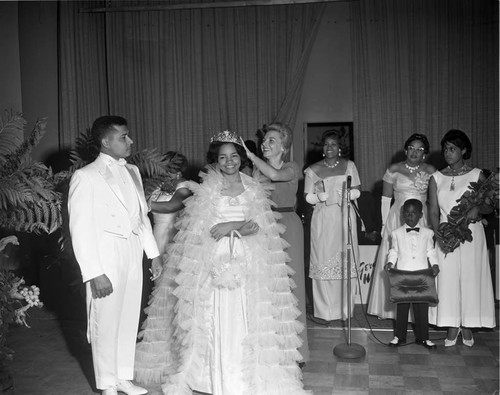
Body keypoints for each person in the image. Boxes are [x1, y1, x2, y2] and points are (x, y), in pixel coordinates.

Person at [135, 130, 308, 394]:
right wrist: (231, 228)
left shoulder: (253, 186)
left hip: (248, 259)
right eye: (223, 157)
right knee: (213, 317)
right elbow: (201, 228)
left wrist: (231, 225)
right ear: (215, 160)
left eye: (234, 156)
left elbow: (259, 225)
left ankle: (243, 380)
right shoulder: (207, 188)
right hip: (213, 260)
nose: (229, 161)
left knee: (243, 317)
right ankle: (210, 378)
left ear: (242, 157)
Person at [68, 116, 162, 395]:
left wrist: (153, 254)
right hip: (105, 253)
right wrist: (94, 272)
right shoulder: (85, 176)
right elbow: (80, 230)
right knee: (105, 320)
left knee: (128, 315)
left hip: (132, 249)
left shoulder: (132, 170)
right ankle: (107, 384)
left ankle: (123, 377)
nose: (130, 141)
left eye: (128, 135)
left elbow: (141, 216)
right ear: (105, 142)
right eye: (123, 136)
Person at [241, 122, 309, 364]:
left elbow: (275, 175)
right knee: (265, 286)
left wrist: (249, 155)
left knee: (291, 287)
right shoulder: (255, 173)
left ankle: (295, 351)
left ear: (284, 146)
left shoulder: (292, 167)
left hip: (288, 225)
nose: (264, 144)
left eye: (271, 140)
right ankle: (269, 349)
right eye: (264, 140)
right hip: (265, 227)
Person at [428, 129, 495, 347]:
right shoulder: (436, 178)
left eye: (453, 149)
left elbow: (489, 205)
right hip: (446, 234)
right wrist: (440, 236)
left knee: (470, 278)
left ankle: (467, 324)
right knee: (447, 280)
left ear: (464, 150)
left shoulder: (477, 175)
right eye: (446, 149)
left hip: (471, 235)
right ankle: (451, 325)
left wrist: (478, 208)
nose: (448, 153)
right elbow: (433, 212)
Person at [367, 133, 436, 320]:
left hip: (421, 218)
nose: (415, 152)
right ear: (406, 150)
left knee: (419, 260)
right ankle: (393, 310)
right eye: (411, 148)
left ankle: (419, 313)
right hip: (397, 217)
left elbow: (434, 200)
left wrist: (432, 223)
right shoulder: (394, 169)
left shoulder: (431, 170)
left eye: (419, 149)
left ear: (425, 153)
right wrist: (383, 226)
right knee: (395, 258)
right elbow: (385, 200)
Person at [303, 129, 361, 321]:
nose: (329, 148)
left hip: (344, 216)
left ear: (340, 148)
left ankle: (345, 311)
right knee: (323, 261)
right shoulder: (312, 170)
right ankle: (324, 312)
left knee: (344, 260)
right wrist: (317, 197)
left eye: (333, 144)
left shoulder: (349, 166)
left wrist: (347, 195)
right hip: (323, 219)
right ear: (322, 148)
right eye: (326, 144)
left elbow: (358, 190)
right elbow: (306, 197)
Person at [385, 199, 439, 349]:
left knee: (422, 308)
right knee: (402, 308)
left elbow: (430, 251)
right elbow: (394, 251)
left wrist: (435, 264)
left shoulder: (428, 233)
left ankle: (423, 337)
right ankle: (399, 336)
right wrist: (390, 262)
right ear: (402, 215)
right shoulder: (396, 233)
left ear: (421, 215)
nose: (409, 217)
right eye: (406, 213)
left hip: (422, 276)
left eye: (413, 213)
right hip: (403, 275)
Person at [148, 151, 191, 255]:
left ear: (178, 172)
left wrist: (144, 205)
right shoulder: (157, 185)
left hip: (172, 234)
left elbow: (171, 206)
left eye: (168, 169)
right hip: (156, 233)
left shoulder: (184, 187)